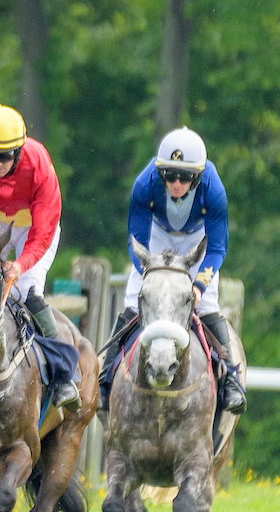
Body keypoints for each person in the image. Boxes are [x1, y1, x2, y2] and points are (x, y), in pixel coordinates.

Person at [99, 127, 245, 415]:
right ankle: (104, 382)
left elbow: (216, 248)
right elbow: (137, 240)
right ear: (160, 172)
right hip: (157, 237)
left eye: (185, 177)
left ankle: (230, 380)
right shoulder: (144, 184)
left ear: (198, 176)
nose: (176, 183)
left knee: (209, 306)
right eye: (170, 175)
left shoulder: (214, 189)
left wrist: (199, 285)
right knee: (133, 300)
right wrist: (150, 275)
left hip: (197, 239)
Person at [0, 104, 80, 411]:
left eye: (4, 156)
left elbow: (44, 230)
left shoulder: (40, 165)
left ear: (19, 150)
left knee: (24, 291)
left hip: (33, 227)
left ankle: (63, 377)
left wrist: (21, 264)